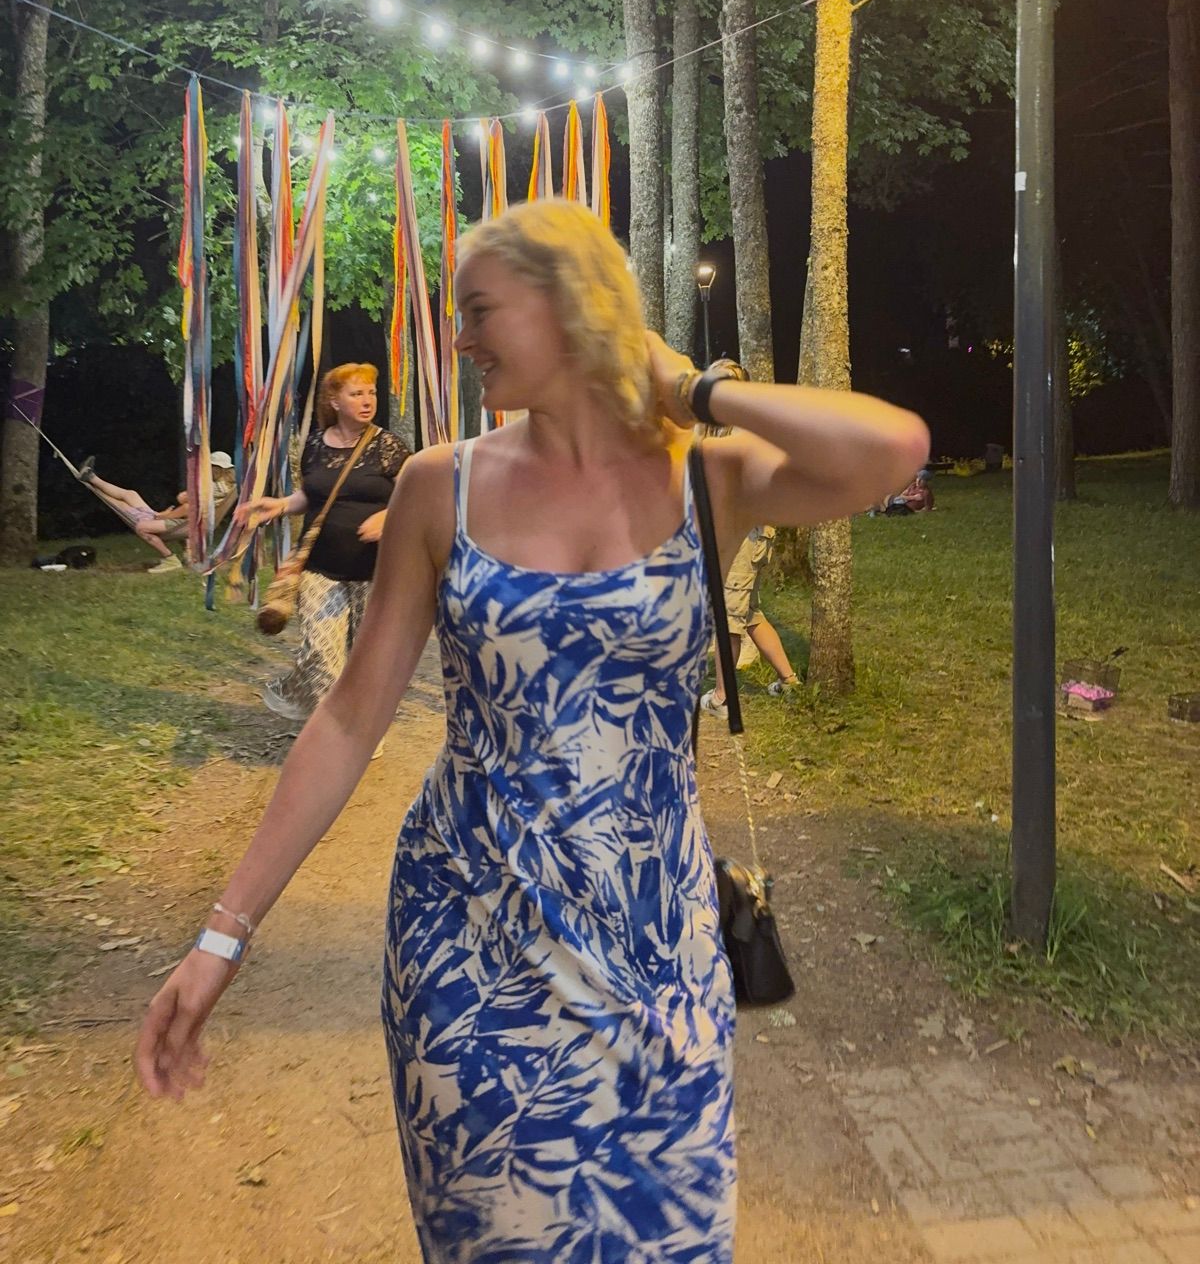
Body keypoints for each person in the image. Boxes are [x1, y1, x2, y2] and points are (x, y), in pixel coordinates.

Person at [135, 203, 929, 1263]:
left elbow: (894, 449)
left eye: (480, 311)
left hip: (655, 940)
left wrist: (692, 389)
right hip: (471, 944)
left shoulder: (707, 476)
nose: (459, 338)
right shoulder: (441, 485)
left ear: (570, 307)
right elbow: (351, 717)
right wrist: (222, 936)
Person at [238, 363, 408, 726]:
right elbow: (312, 494)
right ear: (334, 400)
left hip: (374, 571)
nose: (368, 400)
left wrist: (388, 516)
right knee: (320, 651)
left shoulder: (388, 445)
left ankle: (364, 729)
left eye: (371, 392)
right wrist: (281, 505)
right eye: (357, 394)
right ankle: (335, 732)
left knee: (367, 657)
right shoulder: (315, 444)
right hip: (319, 567)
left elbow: (416, 495)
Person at [694, 361, 801, 715]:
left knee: (728, 616)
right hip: (739, 534)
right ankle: (789, 681)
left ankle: (723, 698)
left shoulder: (744, 430)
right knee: (749, 612)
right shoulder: (720, 428)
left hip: (747, 534)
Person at [79, 451, 236, 572]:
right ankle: (91, 478)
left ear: (216, 469)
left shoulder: (211, 488)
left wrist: (163, 516)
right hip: (190, 523)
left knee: (140, 525)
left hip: (189, 524)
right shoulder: (226, 486)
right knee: (131, 495)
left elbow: (186, 505)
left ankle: (170, 559)